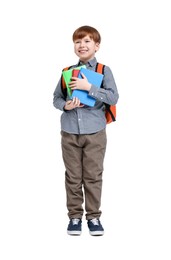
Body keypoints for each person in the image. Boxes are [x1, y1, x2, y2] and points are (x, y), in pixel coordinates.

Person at [53, 25, 119, 236]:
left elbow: (113, 98)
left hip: (95, 132)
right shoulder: (66, 72)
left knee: (92, 176)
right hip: (70, 130)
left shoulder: (103, 71)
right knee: (73, 176)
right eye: (78, 41)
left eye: (87, 41)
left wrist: (88, 87)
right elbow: (56, 98)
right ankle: (74, 216)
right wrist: (66, 106)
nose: (82, 45)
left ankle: (93, 217)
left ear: (96, 46)